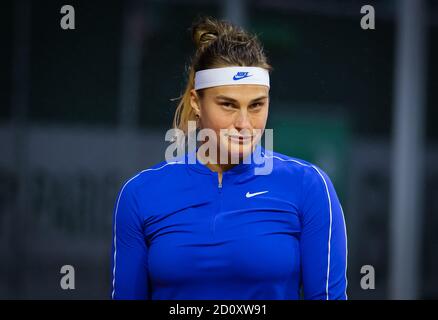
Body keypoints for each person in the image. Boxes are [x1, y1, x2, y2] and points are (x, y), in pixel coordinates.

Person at [111, 16, 347, 300]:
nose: (244, 123)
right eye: (228, 105)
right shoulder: (139, 195)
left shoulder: (310, 187)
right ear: (197, 103)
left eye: (257, 105)